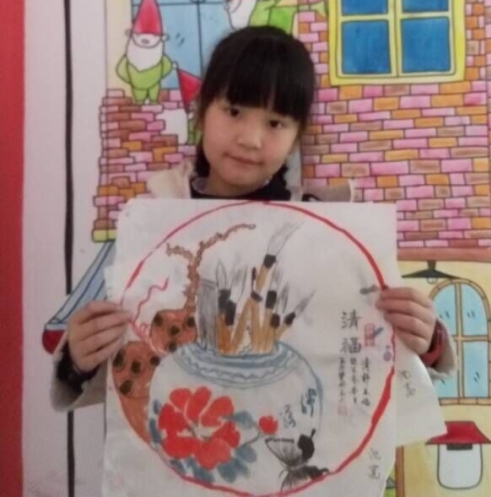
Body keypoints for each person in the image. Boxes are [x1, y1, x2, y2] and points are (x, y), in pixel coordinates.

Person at [52, 25, 454, 410]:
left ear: (296, 138)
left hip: (295, 435)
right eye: (233, 111)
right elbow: (125, 362)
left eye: (275, 122)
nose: (250, 138)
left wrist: (426, 341)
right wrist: (78, 359)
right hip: (180, 434)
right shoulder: (152, 222)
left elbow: (365, 354)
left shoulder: (325, 229)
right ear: (201, 112)